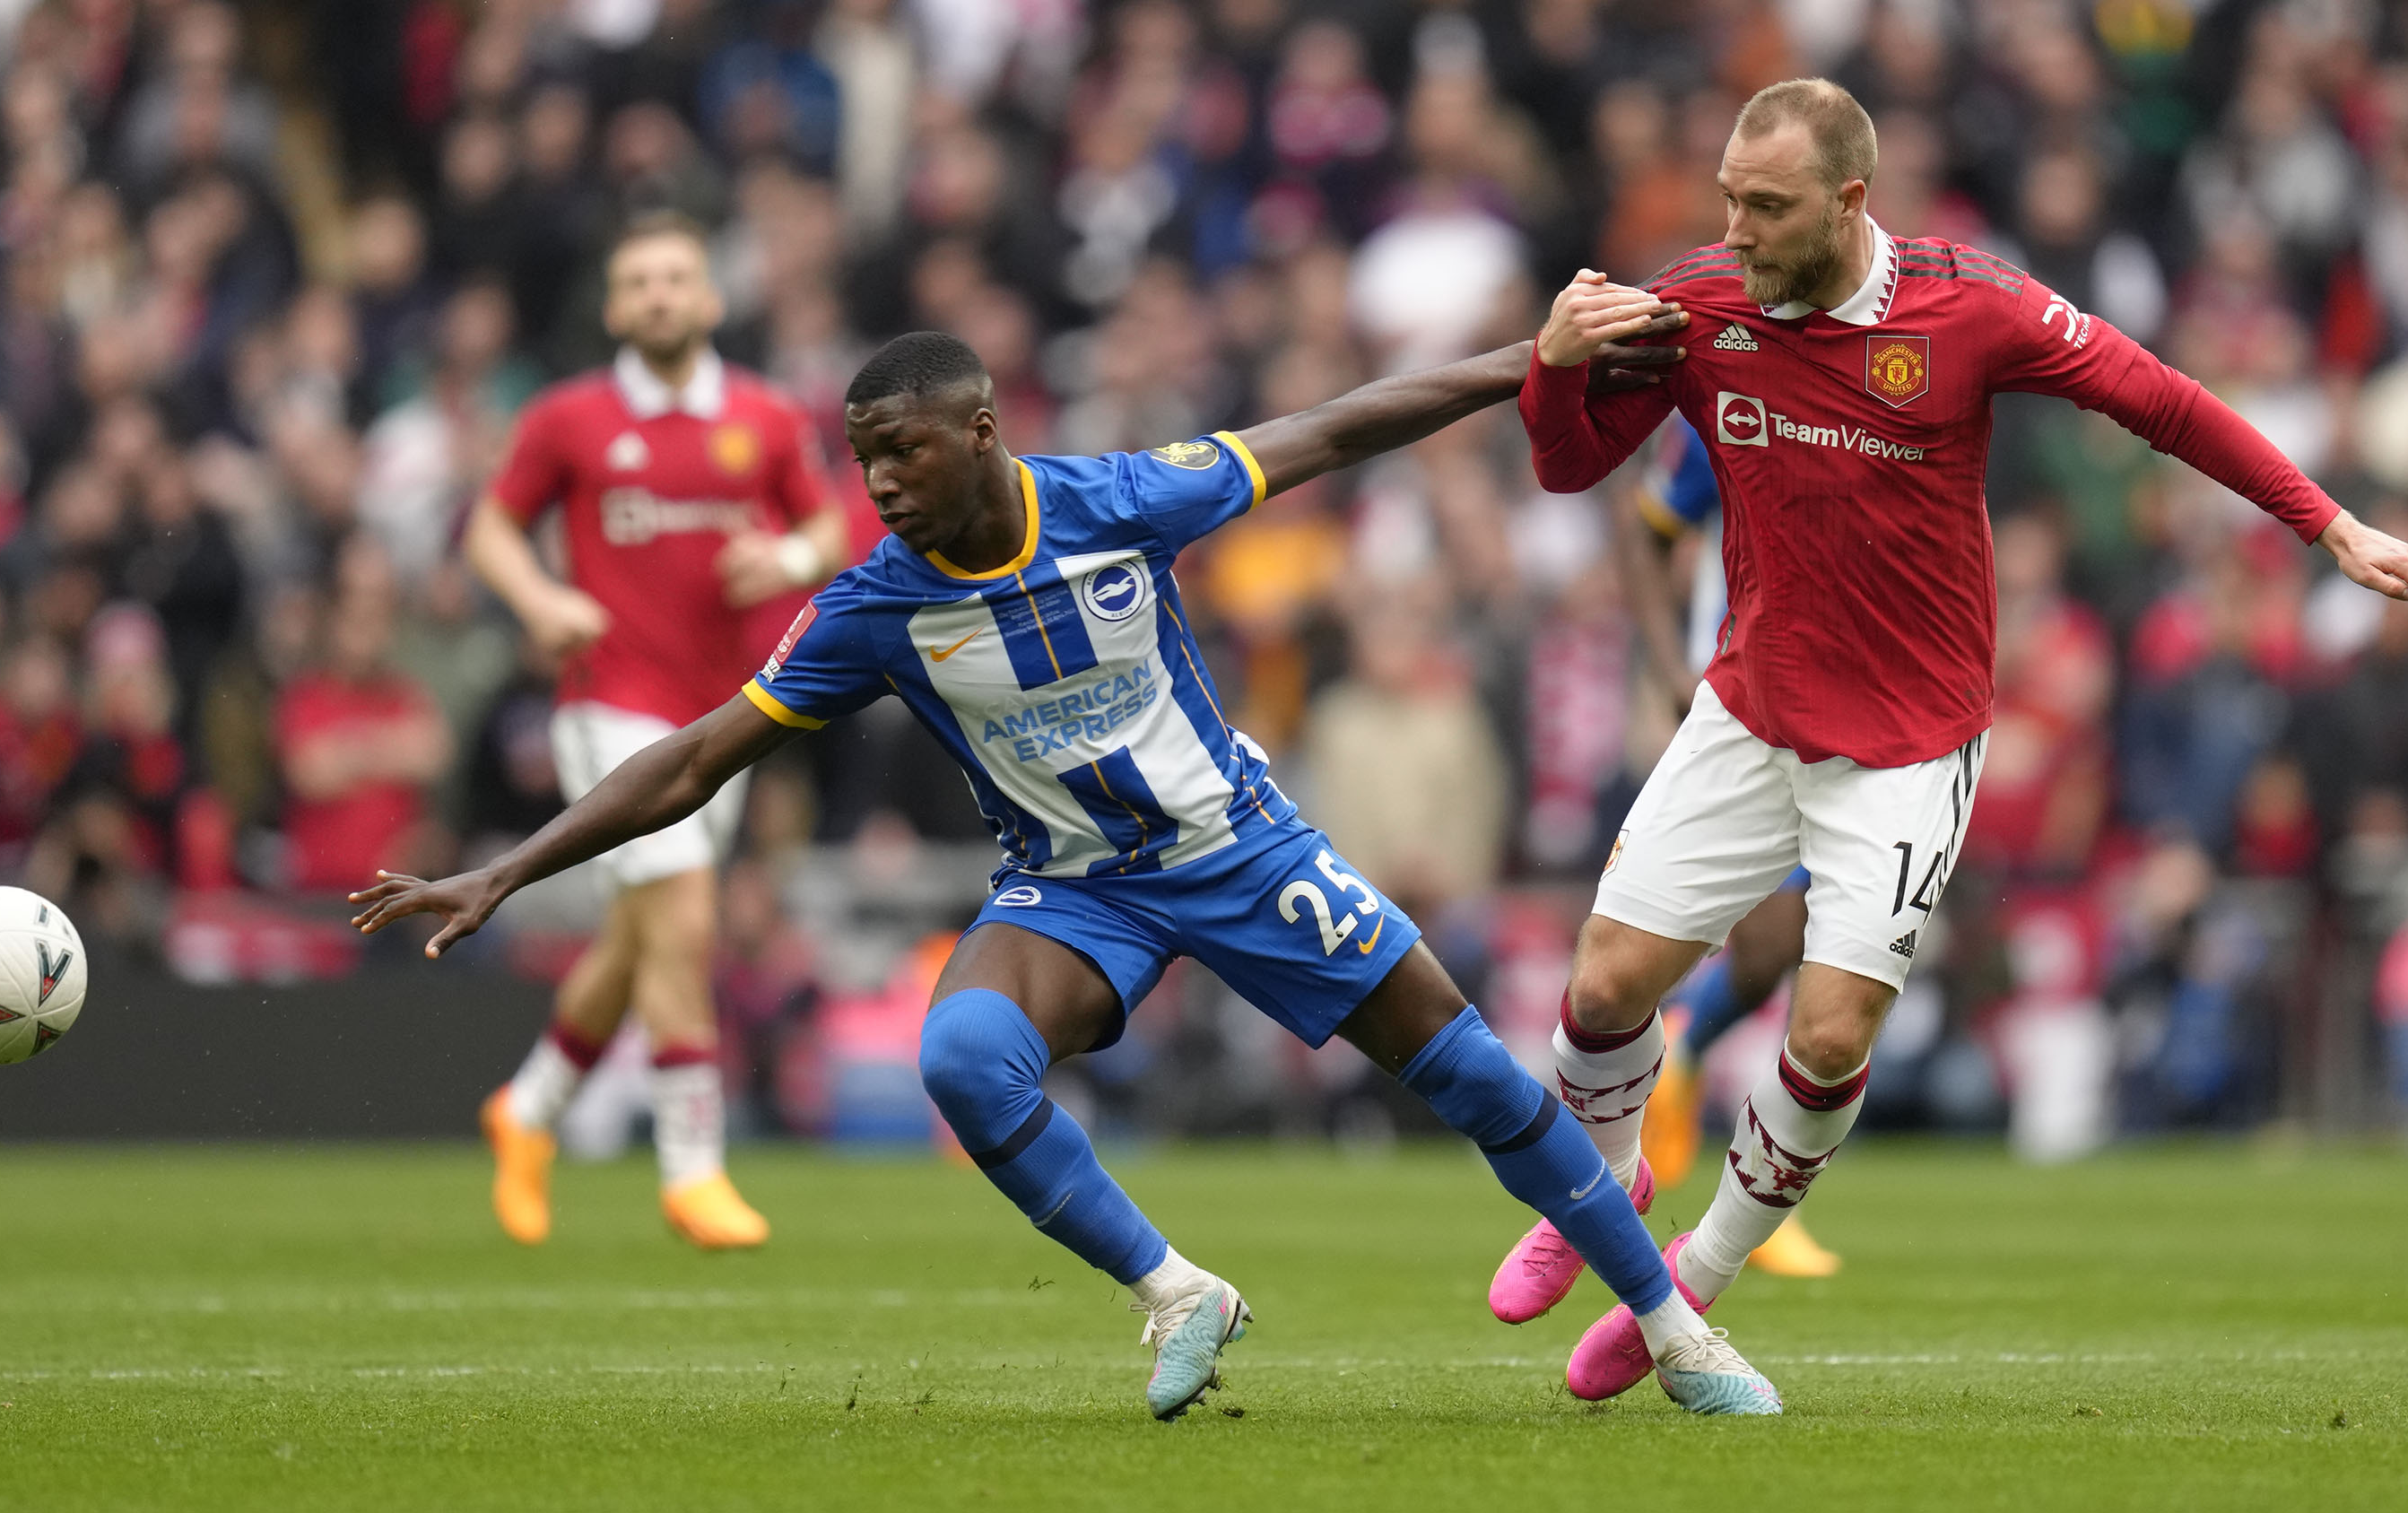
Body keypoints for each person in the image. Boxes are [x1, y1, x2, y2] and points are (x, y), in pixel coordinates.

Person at [352, 326, 1790, 1421]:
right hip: (1077, 886)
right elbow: (698, 755)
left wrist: (1523, 358)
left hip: (1239, 847)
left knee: (1473, 1075)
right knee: (967, 1057)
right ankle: (1181, 1290)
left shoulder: (1118, 498)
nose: (883, 484)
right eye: (864, 462)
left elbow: (1340, 427)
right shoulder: (876, 604)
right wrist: (505, 869)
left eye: (903, 452)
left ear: (980, 431)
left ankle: (1678, 1328)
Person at [1500, 77, 2408, 1404]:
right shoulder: (1705, 299)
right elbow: (1567, 465)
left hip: (1905, 744)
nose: (1736, 229)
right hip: (1750, 708)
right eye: (1728, 197)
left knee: (1830, 1035)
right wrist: (1555, 362)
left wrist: (2329, 523)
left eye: (1766, 207)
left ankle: (1696, 1281)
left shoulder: (1971, 308)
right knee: (1601, 992)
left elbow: (2163, 399)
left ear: (1849, 203)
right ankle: (1600, 1196)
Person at [463, 211, 848, 1251]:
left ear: (710, 299)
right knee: (682, 918)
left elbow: (828, 522)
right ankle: (694, 1167)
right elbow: (491, 526)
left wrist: (790, 563)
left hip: (729, 717)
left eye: (678, 278)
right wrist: (541, 602)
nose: (661, 296)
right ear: (615, 307)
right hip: (609, 703)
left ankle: (528, 1109)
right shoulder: (568, 418)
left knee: (639, 938)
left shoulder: (765, 417)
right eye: (641, 282)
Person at [1595, 411, 1838, 1283]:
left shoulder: (1884, 394)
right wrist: (1668, 668)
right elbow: (1646, 528)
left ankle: (1685, 1061)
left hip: (1854, 705)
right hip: (1749, 708)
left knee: (1797, 951)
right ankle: (1734, 1185)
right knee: (1778, 940)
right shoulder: (1730, 410)